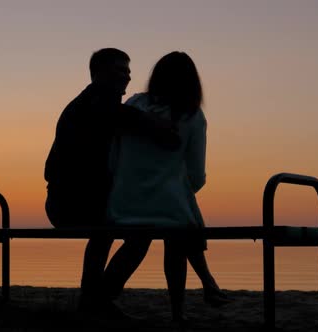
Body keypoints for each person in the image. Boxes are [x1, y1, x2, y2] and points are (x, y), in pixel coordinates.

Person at [44, 48, 179, 318]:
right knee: (140, 231)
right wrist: (163, 128)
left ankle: (93, 297)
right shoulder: (96, 101)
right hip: (71, 203)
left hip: (76, 201)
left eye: (128, 70)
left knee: (110, 230)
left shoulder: (94, 104)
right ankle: (100, 298)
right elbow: (129, 119)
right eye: (120, 70)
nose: (128, 76)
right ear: (99, 73)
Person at [107, 51, 228, 323]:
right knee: (179, 227)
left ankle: (207, 284)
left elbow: (113, 157)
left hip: (124, 202)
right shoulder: (192, 116)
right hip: (169, 209)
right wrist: (177, 189)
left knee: (165, 225)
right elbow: (197, 174)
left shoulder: (134, 104)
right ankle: (179, 310)